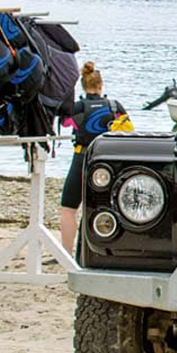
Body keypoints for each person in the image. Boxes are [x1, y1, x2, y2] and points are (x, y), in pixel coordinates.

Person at [60, 62, 128, 255]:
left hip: (81, 157)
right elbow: (128, 130)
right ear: (101, 85)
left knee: (68, 208)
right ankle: (97, 251)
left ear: (83, 85)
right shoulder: (114, 107)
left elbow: (65, 123)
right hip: (106, 161)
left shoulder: (78, 107)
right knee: (102, 206)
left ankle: (66, 253)